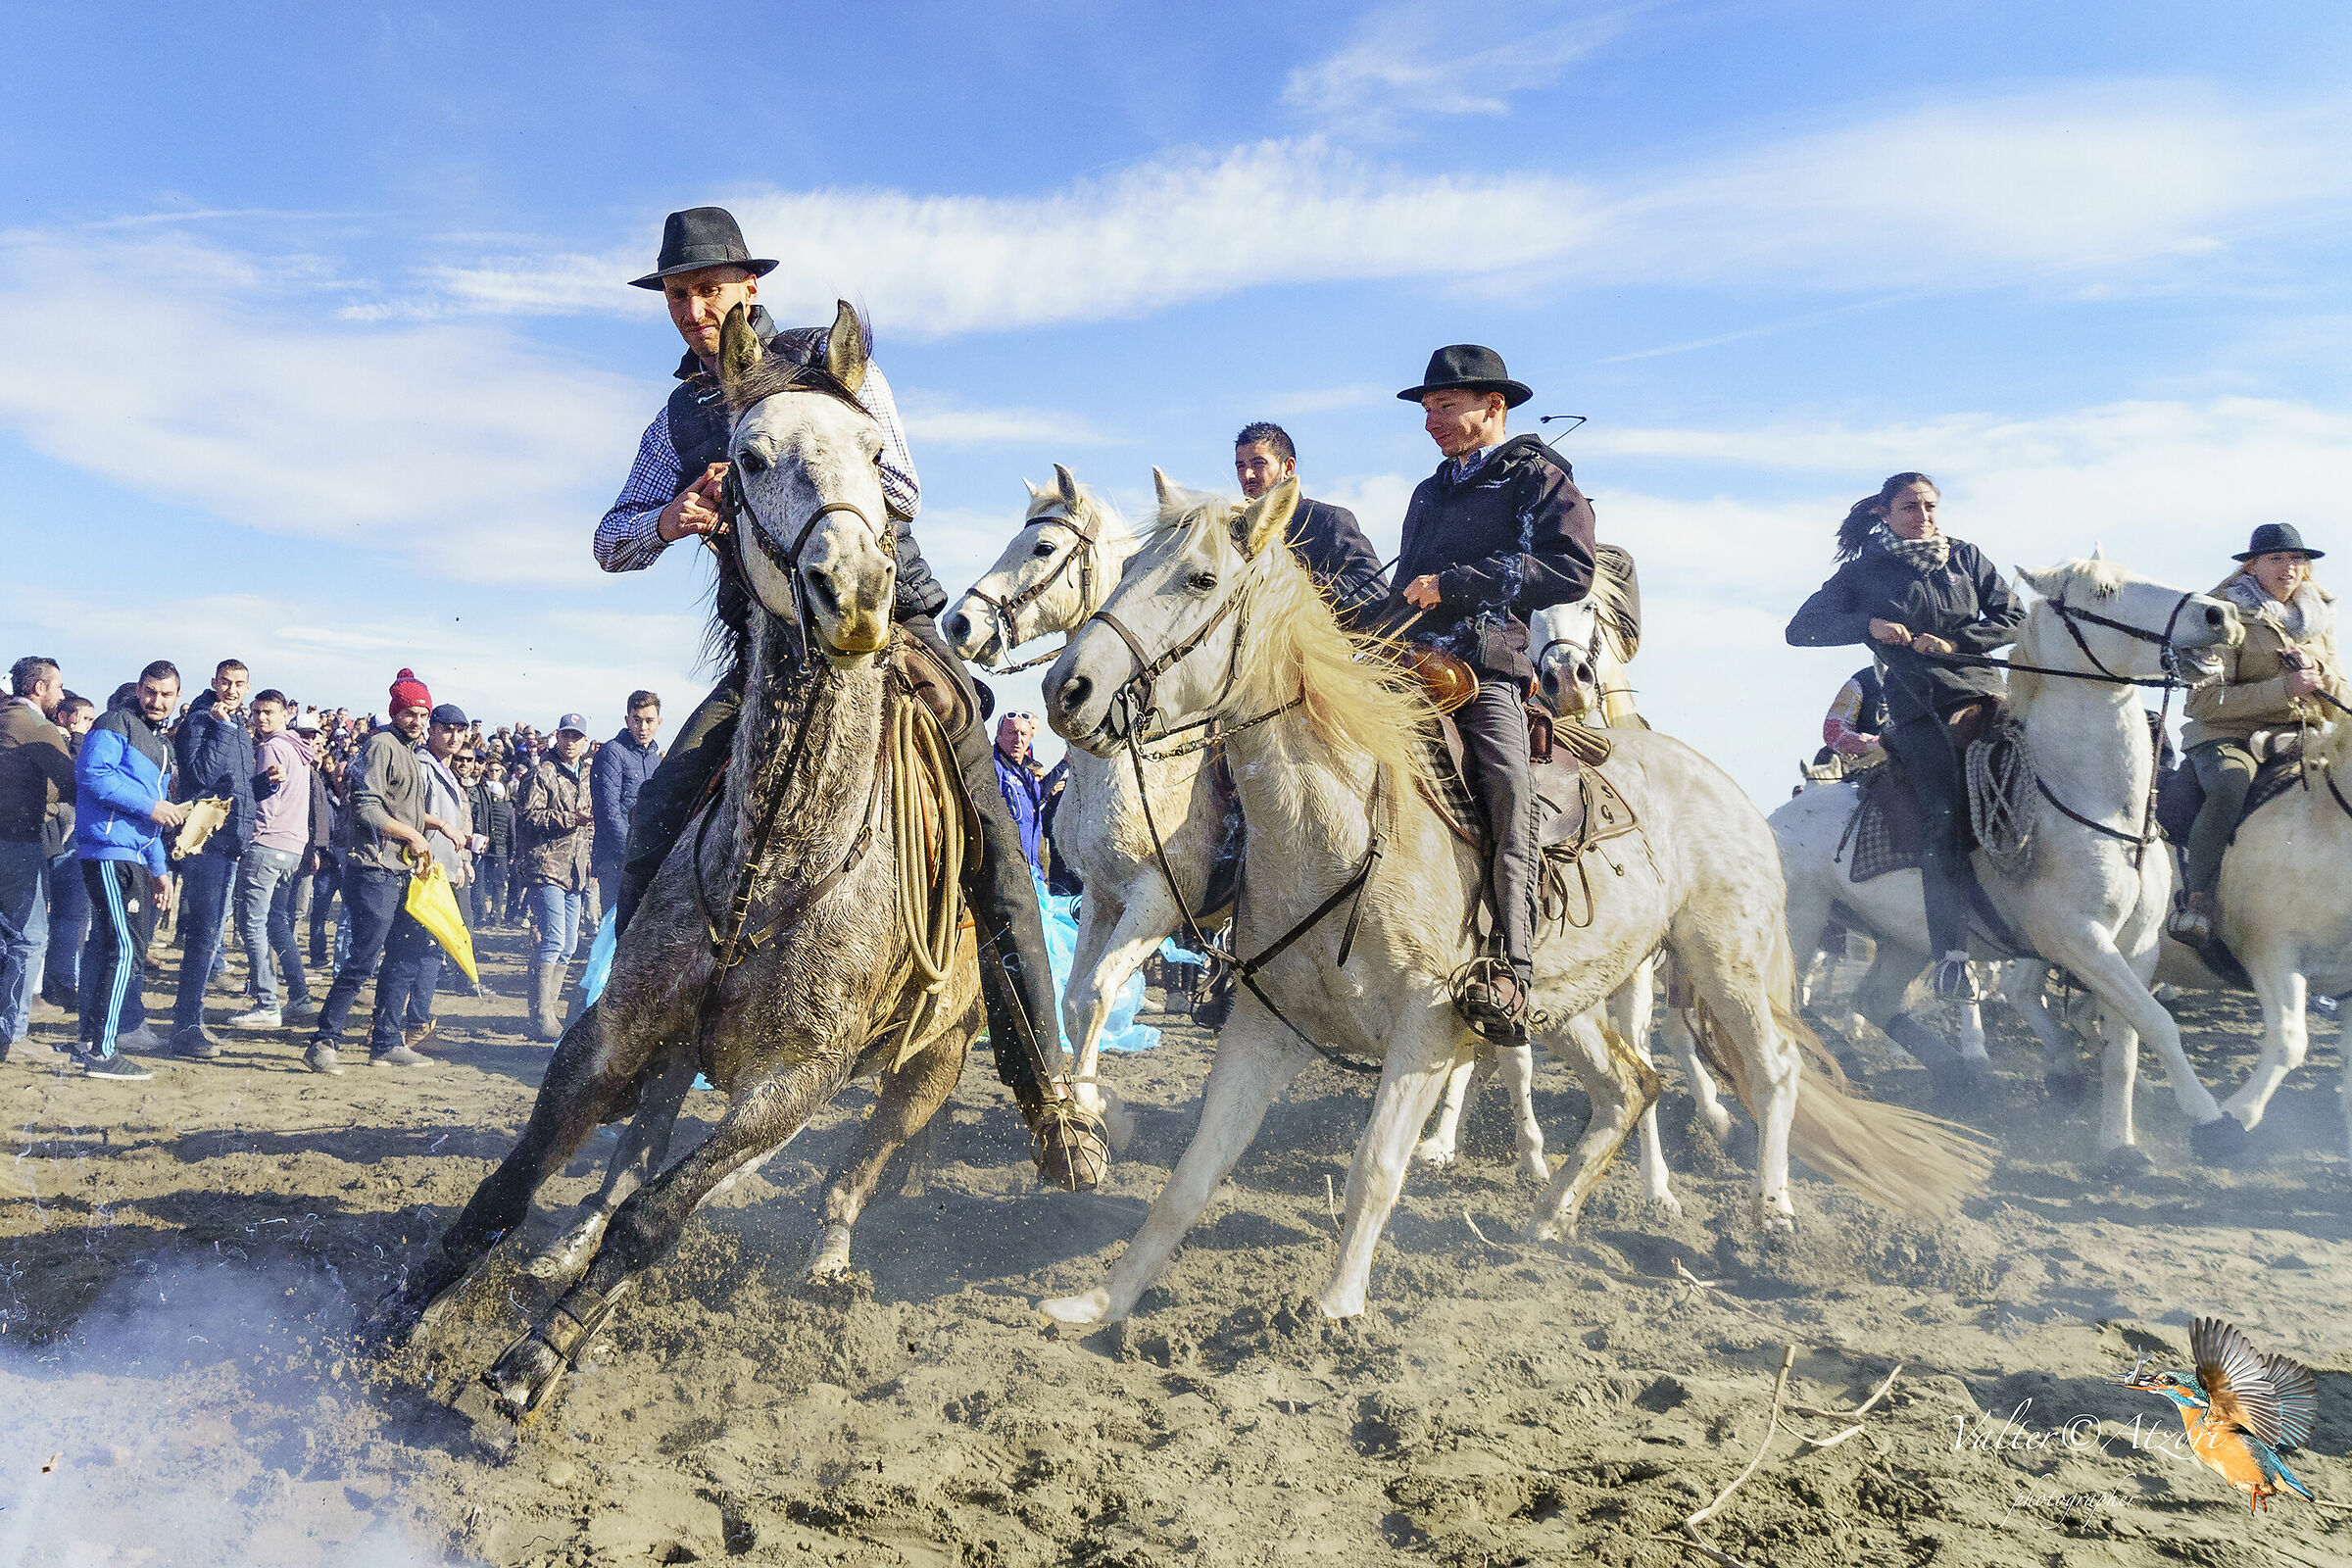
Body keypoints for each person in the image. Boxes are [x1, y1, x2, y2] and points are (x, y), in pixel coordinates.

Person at [589, 205, 1101, 1181]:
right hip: (768, 658)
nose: (694, 309)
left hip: (889, 629)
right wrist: (670, 516)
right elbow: (610, 540)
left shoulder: (831, 362)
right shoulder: (679, 416)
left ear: (748, 287)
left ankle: (1048, 1095)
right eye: (679, 295)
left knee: (994, 840)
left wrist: (778, 469)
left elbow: (901, 489)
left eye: (709, 289)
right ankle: (632, 1038)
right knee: (656, 812)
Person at [1387, 345, 1597, 1040]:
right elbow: (1405, 590)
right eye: (1426, 410)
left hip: (1486, 668)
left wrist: (1455, 584)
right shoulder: (1428, 493)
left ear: (1493, 406)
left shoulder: (1536, 476)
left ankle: (1513, 967)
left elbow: (1570, 569)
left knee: (1509, 789)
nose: (1430, 422)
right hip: (1408, 661)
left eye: (1444, 407)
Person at [1787, 472, 2023, 999]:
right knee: (1943, 814)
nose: (1924, 517)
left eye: (1930, 506)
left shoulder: (1967, 557)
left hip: (1988, 692)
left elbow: (2014, 618)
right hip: (1919, 708)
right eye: (1911, 508)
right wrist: (1867, 625)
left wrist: (1956, 640)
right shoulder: (1863, 571)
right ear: (1885, 514)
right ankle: (1951, 957)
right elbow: (1800, 630)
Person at [2171, 523, 2345, 943]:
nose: (2289, 567)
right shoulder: (2222, 614)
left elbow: (2337, 693)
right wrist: (2284, 689)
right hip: (2228, 736)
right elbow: (2202, 702)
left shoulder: (2318, 617)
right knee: (2229, 786)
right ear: (2252, 565)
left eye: (2296, 558)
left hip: (2306, 735)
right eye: (2276, 558)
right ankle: (2197, 900)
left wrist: (2319, 675)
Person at [306, 669, 459, 1074]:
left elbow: (404, 810)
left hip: (400, 870)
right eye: (410, 713)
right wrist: (413, 834)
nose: (418, 721)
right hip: (372, 867)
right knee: (364, 957)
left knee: (405, 956)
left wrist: (439, 825)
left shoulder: (409, 751)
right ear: (395, 712)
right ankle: (324, 1041)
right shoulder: (381, 745)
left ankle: (387, 1042)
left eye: (424, 715)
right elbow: (367, 807)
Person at [74, 663, 188, 1078]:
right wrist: (150, 806)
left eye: (166, 694)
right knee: (124, 949)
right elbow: (92, 774)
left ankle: (88, 1043)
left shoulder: (162, 745)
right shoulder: (115, 722)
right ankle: (103, 1052)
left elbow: (152, 817)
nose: (157, 701)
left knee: (118, 948)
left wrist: (160, 870)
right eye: (151, 692)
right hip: (108, 851)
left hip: (135, 856)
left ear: (177, 697)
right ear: (139, 689)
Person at [168, 658, 257, 1059]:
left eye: (239, 684)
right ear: (214, 682)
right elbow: (200, 777)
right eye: (225, 682)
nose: (231, 690)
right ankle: (186, 1026)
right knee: (203, 937)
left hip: (229, 839)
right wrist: (221, 729)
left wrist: (263, 787)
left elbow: (233, 789)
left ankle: (192, 1022)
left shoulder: (237, 726)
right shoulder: (203, 722)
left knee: (210, 935)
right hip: (205, 840)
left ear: (247, 687)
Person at [1233, 421, 1390, 629]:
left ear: (1288, 467)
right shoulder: (1234, 529)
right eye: (1240, 466)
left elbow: (1374, 589)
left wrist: (1290, 580)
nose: (1247, 475)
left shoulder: (1328, 519)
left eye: (1258, 463)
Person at [224, 690, 317, 1031]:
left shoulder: (272, 748)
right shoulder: (299, 749)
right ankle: (299, 997)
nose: (262, 718)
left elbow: (267, 804)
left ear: (284, 715)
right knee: (275, 922)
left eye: (269, 712)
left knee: (252, 924)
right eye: (257, 712)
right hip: (292, 847)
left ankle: (266, 1003)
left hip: (268, 843)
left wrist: (250, 839)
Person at [0, 657, 75, 1061]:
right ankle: (13, 1036)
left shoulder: (5, 717)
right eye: (58, 686)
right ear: (39, 688)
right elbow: (71, 784)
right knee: (30, 937)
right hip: (15, 842)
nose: (62, 694)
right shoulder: (37, 727)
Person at [517, 713, 594, 1042]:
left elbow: (590, 825)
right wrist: (571, 819)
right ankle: (541, 1017)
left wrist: (588, 858)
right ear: (557, 737)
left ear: (584, 741)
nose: (571, 742)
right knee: (553, 939)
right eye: (566, 736)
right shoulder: (543, 772)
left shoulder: (586, 775)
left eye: (577, 737)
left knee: (569, 945)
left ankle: (548, 1010)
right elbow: (528, 817)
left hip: (575, 871)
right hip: (546, 866)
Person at [39, 691, 96, 1016]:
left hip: (69, 837)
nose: (89, 725)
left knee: (71, 915)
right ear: (64, 717)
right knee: (48, 916)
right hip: (50, 836)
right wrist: (76, 739)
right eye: (84, 718)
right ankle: (48, 985)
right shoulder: (55, 740)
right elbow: (73, 779)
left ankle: (61, 982)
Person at [589, 691, 662, 927]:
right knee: (615, 928)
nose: (643, 727)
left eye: (649, 721)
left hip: (643, 860)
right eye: (636, 720)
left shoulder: (654, 759)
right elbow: (609, 813)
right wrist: (632, 854)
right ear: (627, 720)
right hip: (616, 860)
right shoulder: (612, 752)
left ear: (659, 722)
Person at [468, 752, 514, 932]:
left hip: (487, 849)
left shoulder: (492, 805)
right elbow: (512, 833)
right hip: (497, 851)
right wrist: (512, 852)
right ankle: (495, 916)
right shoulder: (508, 808)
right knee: (497, 885)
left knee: (482, 884)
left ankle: (483, 915)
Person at [993, 713, 1044, 872]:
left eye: (1023, 734)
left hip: (1032, 867)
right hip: (1007, 867)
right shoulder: (992, 768)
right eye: (1012, 733)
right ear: (999, 735)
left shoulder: (1028, 775)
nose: (1018, 739)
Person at [1817, 665, 1889, 769]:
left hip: (1904, 756)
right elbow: (1833, 731)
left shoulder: (1915, 678)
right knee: (1826, 759)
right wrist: (1878, 746)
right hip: (1860, 763)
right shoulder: (1863, 682)